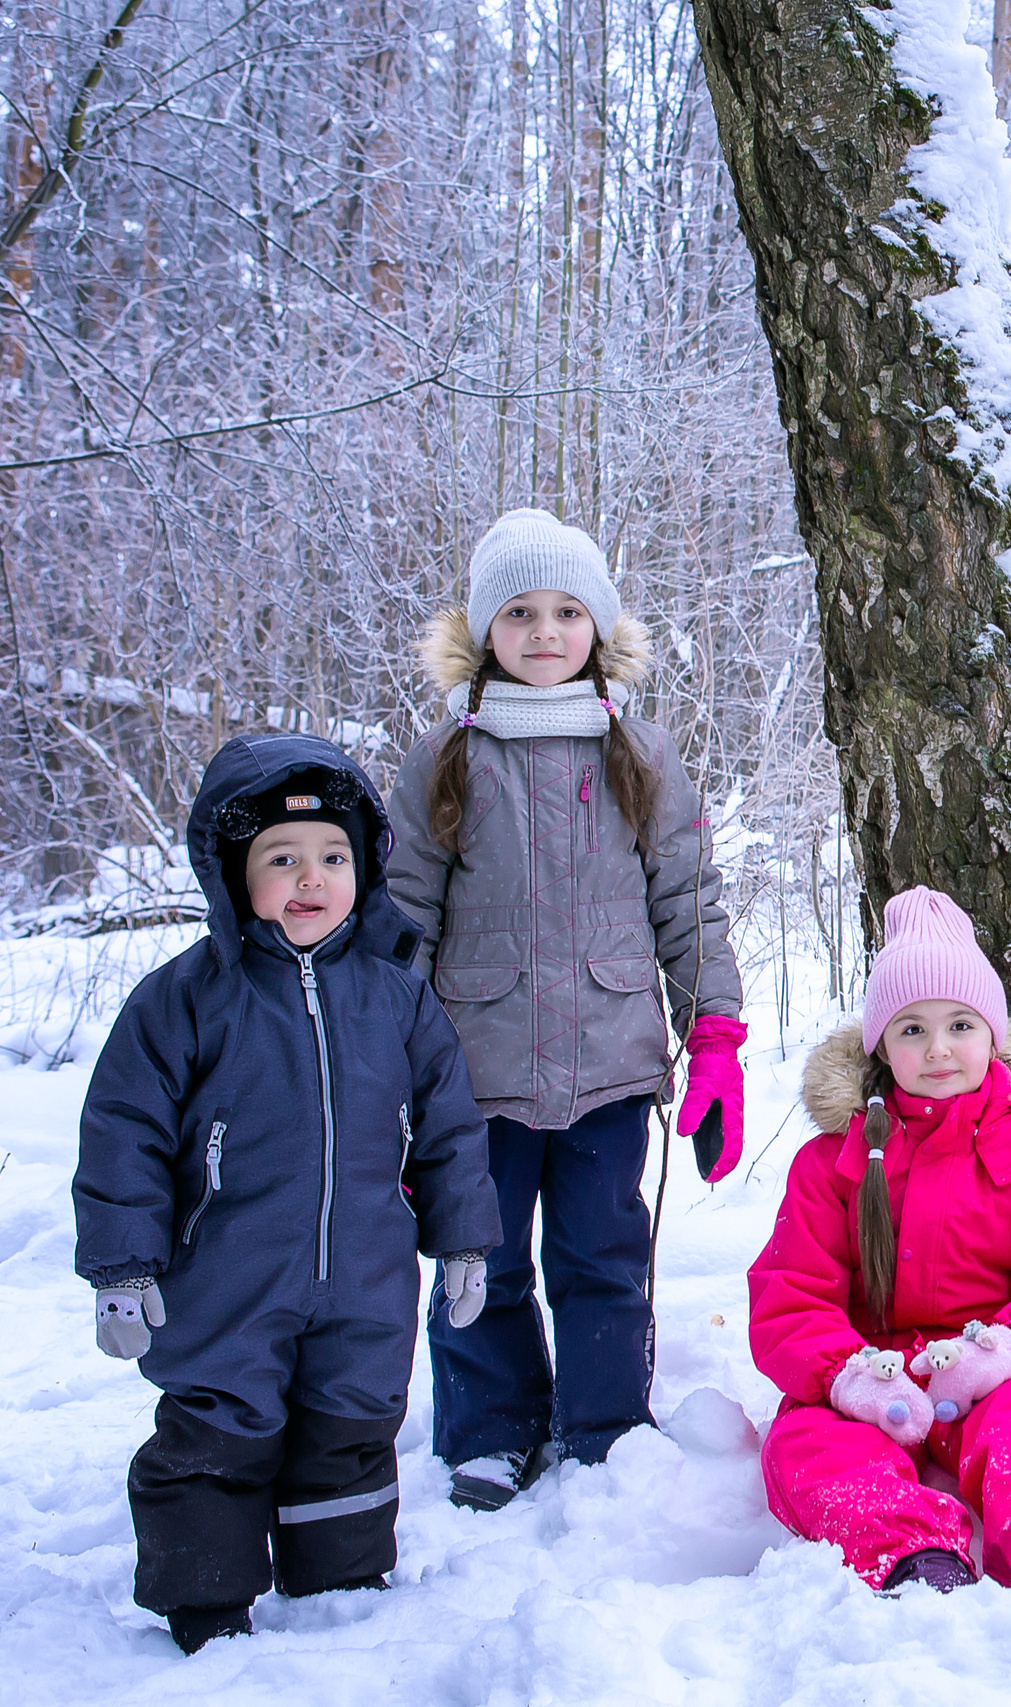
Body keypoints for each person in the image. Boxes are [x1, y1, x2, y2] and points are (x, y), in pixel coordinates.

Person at [74, 733, 501, 1653]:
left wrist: (465, 1236)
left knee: (351, 1424)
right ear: (234, 872)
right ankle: (206, 1597)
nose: (312, 878)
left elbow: (450, 1125)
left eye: (334, 857)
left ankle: (339, 1588)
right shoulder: (185, 1000)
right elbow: (124, 1133)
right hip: (227, 1276)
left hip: (365, 1278)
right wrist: (122, 1262)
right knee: (217, 1431)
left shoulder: (397, 997)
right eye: (282, 858)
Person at [385, 508, 747, 1509]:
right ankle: (490, 1431)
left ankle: (603, 1425)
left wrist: (711, 1035)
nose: (544, 632)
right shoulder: (444, 758)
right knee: (481, 1260)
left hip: (612, 1062)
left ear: (599, 627)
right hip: (476, 1072)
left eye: (566, 611)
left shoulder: (641, 755)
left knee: (602, 1256)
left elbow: (688, 903)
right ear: (482, 630)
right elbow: (402, 919)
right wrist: (389, 1072)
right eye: (519, 613)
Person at [747, 887, 1011, 1590]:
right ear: (880, 1047)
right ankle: (908, 1550)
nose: (937, 1049)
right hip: (870, 1378)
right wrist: (845, 1375)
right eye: (911, 1029)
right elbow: (789, 1294)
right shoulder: (831, 1161)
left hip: (992, 1373)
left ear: (993, 1034)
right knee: (806, 1446)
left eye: (960, 1023)